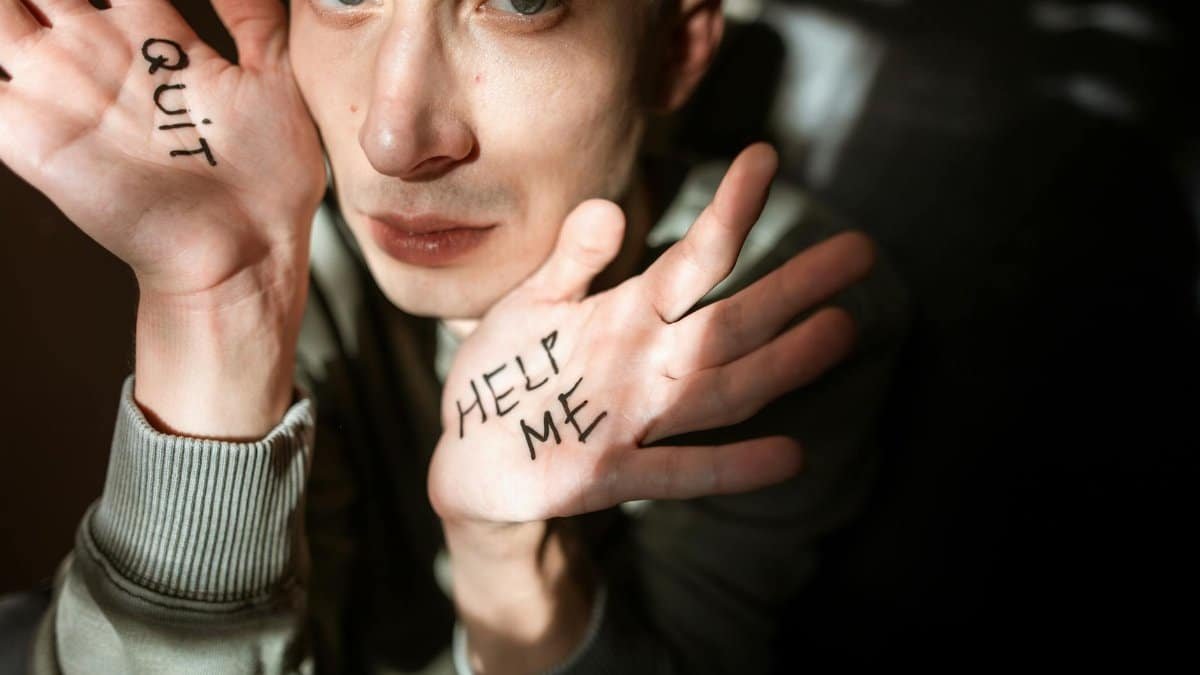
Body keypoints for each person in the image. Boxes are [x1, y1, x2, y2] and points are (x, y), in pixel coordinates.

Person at [0, 0, 907, 672]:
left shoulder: (750, 312)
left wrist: (504, 558)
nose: (396, 138)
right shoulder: (277, 249)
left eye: (520, 2)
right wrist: (217, 308)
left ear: (675, 47)